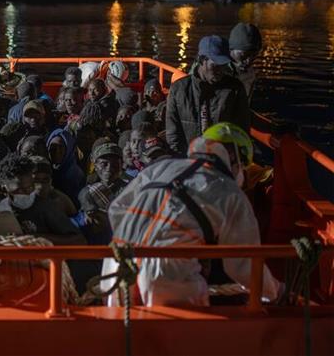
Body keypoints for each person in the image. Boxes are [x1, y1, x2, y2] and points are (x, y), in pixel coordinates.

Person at [101, 134, 280, 306]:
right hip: (168, 272)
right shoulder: (229, 190)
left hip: (116, 266)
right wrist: (274, 292)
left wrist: (133, 240)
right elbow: (244, 264)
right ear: (234, 158)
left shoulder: (160, 168)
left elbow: (117, 209)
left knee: (119, 326)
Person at [166, 35, 250, 155]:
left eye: (224, 65)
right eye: (215, 65)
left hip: (221, 160)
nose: (221, 70)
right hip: (187, 159)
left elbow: (241, 130)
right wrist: (182, 161)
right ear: (201, 60)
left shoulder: (235, 89)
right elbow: (173, 136)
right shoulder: (178, 89)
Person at [0, 154, 85, 244]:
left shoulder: (45, 207)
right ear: (3, 190)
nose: (27, 194)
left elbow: (79, 240)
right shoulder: (0, 209)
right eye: (20, 190)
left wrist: (33, 238)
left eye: (30, 187)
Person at [73, 142, 127, 245]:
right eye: (104, 164)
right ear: (96, 165)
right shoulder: (88, 190)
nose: (109, 168)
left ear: (122, 166)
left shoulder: (129, 189)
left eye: (115, 164)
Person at [46, 128, 85, 206]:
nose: (57, 151)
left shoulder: (75, 175)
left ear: (68, 149)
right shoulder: (45, 170)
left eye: (61, 147)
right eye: (53, 146)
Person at [228, 22, 262, 100]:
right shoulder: (216, 70)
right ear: (231, 49)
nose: (249, 61)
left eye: (254, 55)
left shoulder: (250, 74)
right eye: (243, 55)